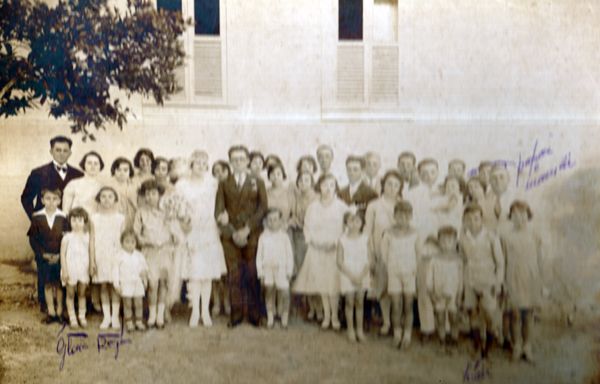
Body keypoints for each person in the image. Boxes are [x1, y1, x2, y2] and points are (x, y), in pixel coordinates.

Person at [21, 135, 83, 310]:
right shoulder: (38, 173)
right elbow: (26, 198)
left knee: (67, 263)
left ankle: (67, 304)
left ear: (70, 152)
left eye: (65, 150)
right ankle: (45, 304)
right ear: (51, 151)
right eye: (58, 150)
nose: (61, 154)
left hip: (68, 228)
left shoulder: (77, 174)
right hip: (46, 229)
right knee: (45, 265)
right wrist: (37, 219)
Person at [215, 145, 268, 328]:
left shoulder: (257, 181)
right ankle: (236, 314)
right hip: (231, 237)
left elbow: (262, 208)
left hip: (251, 235)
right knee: (234, 275)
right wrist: (232, 232)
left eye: (241, 159)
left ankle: (254, 314)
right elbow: (219, 211)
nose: (238, 162)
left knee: (252, 273)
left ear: (247, 161)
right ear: (230, 162)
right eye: (234, 159)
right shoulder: (224, 182)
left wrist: (247, 229)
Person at [176, 150, 227, 328]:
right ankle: (195, 311)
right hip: (191, 230)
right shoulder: (182, 184)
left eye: (204, 163)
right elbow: (178, 207)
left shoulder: (213, 183)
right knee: (195, 274)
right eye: (196, 162)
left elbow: (220, 205)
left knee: (207, 274)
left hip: (209, 230)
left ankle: (205, 311)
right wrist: (184, 221)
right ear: (191, 165)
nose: (200, 166)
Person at [293, 173, 346, 330]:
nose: (328, 189)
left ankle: (335, 316)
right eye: (324, 185)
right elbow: (307, 228)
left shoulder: (342, 206)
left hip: (334, 249)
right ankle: (327, 315)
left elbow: (346, 228)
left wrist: (336, 243)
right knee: (322, 283)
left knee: (333, 284)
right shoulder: (313, 207)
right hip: (317, 249)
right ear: (319, 187)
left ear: (336, 187)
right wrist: (315, 242)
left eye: (331, 185)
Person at [459, 203, 505, 359]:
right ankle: (477, 346)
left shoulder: (491, 237)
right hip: (470, 280)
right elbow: (463, 260)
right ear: (464, 221)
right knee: (473, 313)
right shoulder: (464, 237)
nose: (473, 222)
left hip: (488, 281)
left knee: (490, 315)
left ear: (482, 220)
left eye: (476, 219)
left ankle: (489, 348)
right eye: (469, 219)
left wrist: (498, 283)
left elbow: (500, 263)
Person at [500, 201, 543, 362]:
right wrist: (504, 281)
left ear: (528, 215)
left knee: (528, 315)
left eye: (523, 213)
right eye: (515, 214)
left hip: (531, 277)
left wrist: (541, 281)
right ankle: (516, 345)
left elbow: (539, 259)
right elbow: (503, 260)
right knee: (515, 314)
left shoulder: (535, 235)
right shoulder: (506, 237)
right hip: (513, 277)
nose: (519, 217)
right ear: (510, 217)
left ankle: (527, 346)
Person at [133, 179, 179, 329]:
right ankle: (152, 315)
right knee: (152, 284)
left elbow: (174, 232)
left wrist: (169, 239)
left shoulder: (167, 212)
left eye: (153, 193)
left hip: (165, 251)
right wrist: (146, 241)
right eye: (147, 194)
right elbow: (136, 233)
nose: (150, 197)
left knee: (163, 283)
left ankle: (160, 314)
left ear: (160, 195)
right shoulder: (140, 212)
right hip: (150, 251)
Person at [363, 170, 403, 335]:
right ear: (383, 185)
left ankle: (398, 323)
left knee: (398, 289)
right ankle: (387, 322)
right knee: (383, 288)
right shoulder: (374, 205)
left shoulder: (403, 204)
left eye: (396, 185)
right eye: (389, 184)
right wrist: (370, 252)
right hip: (380, 252)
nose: (392, 188)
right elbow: (368, 230)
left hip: (400, 252)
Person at [381, 201, 422, 349]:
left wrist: (413, 270)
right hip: (394, 273)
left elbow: (418, 254)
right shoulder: (388, 233)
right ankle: (397, 333)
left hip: (409, 273)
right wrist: (391, 268)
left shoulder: (415, 233)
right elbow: (384, 254)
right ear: (394, 216)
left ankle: (407, 335)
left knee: (408, 305)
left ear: (410, 217)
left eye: (406, 216)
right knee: (396, 305)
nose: (402, 219)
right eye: (399, 215)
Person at [28, 188, 68, 323]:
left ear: (59, 201)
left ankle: (60, 312)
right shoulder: (37, 217)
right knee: (47, 284)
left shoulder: (63, 217)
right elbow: (33, 239)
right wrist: (42, 254)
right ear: (42, 200)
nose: (51, 202)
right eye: (48, 199)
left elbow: (67, 239)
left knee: (60, 285)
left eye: (54, 199)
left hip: (59, 257)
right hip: (44, 258)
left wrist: (60, 255)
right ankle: (51, 312)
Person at [91, 186, 126, 329]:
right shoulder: (94, 218)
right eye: (103, 196)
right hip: (100, 254)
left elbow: (123, 240)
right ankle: (106, 317)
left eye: (110, 197)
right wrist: (92, 260)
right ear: (99, 199)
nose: (106, 200)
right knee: (103, 285)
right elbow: (92, 239)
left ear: (115, 200)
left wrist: (123, 259)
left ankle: (115, 316)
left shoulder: (121, 218)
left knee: (115, 285)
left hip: (116, 254)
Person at [426, 226, 463, 350]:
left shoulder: (458, 260)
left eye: (450, 241)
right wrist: (431, 293)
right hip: (439, 294)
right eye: (443, 241)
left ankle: (454, 339)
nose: (447, 244)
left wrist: (459, 295)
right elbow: (429, 278)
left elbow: (461, 279)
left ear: (455, 242)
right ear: (439, 243)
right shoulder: (434, 259)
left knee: (454, 318)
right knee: (440, 317)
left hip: (453, 294)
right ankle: (442, 339)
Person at [289, 171, 320, 321]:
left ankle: (318, 308)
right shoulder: (297, 197)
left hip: (312, 237)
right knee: (301, 270)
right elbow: (293, 214)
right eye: (300, 181)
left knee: (314, 272)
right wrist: (294, 220)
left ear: (312, 182)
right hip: (298, 236)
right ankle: (309, 307)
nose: (303, 183)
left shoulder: (317, 198)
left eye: (307, 180)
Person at [256, 208, 295, 328]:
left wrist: (289, 270)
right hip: (268, 269)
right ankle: (270, 317)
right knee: (269, 293)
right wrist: (260, 273)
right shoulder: (263, 236)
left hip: (281, 269)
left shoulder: (284, 236)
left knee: (284, 293)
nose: (273, 222)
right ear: (266, 222)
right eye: (270, 220)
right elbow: (259, 256)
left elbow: (289, 255)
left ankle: (284, 316)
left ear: (281, 221)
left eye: (276, 220)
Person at [336, 210, 370, 342]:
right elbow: (339, 261)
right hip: (348, 273)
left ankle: (359, 330)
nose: (354, 224)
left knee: (360, 302)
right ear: (346, 223)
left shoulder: (365, 239)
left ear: (362, 223)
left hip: (362, 273)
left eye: (357, 221)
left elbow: (369, 260)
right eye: (351, 220)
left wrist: (360, 276)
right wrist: (352, 276)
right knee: (349, 302)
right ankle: (350, 330)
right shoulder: (342, 240)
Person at [60, 207, 91, 328]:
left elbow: (90, 252)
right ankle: (72, 318)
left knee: (82, 293)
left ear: (84, 221)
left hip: (83, 268)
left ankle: (82, 316)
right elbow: (62, 254)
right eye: (74, 220)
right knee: (70, 293)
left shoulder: (87, 236)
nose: (77, 223)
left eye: (80, 220)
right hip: (71, 268)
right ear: (70, 221)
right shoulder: (67, 237)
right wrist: (65, 270)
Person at [113, 230, 149, 332]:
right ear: (122, 243)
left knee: (138, 303)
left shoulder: (139, 255)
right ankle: (129, 322)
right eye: (127, 242)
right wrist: (117, 284)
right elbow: (115, 271)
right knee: (127, 303)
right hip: (125, 283)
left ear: (136, 243)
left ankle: (138, 321)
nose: (130, 245)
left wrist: (144, 279)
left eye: (133, 242)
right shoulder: (119, 256)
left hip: (137, 283)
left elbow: (144, 268)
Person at [62, 151, 105, 216]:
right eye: (89, 163)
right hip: (77, 221)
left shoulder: (102, 187)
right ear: (83, 165)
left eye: (96, 163)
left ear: (100, 166)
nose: (93, 166)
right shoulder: (73, 184)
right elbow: (65, 210)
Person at [109, 157, 138, 227]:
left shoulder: (135, 186)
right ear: (114, 171)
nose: (122, 173)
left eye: (125, 170)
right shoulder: (109, 186)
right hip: (114, 215)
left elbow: (137, 204)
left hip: (131, 216)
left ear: (130, 171)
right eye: (118, 170)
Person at [266, 163, 295, 229]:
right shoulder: (264, 192)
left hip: (285, 229)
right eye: (272, 174)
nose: (276, 177)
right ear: (269, 177)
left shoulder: (289, 193)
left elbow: (294, 215)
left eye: (278, 174)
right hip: (268, 229)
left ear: (283, 175)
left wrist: (287, 224)